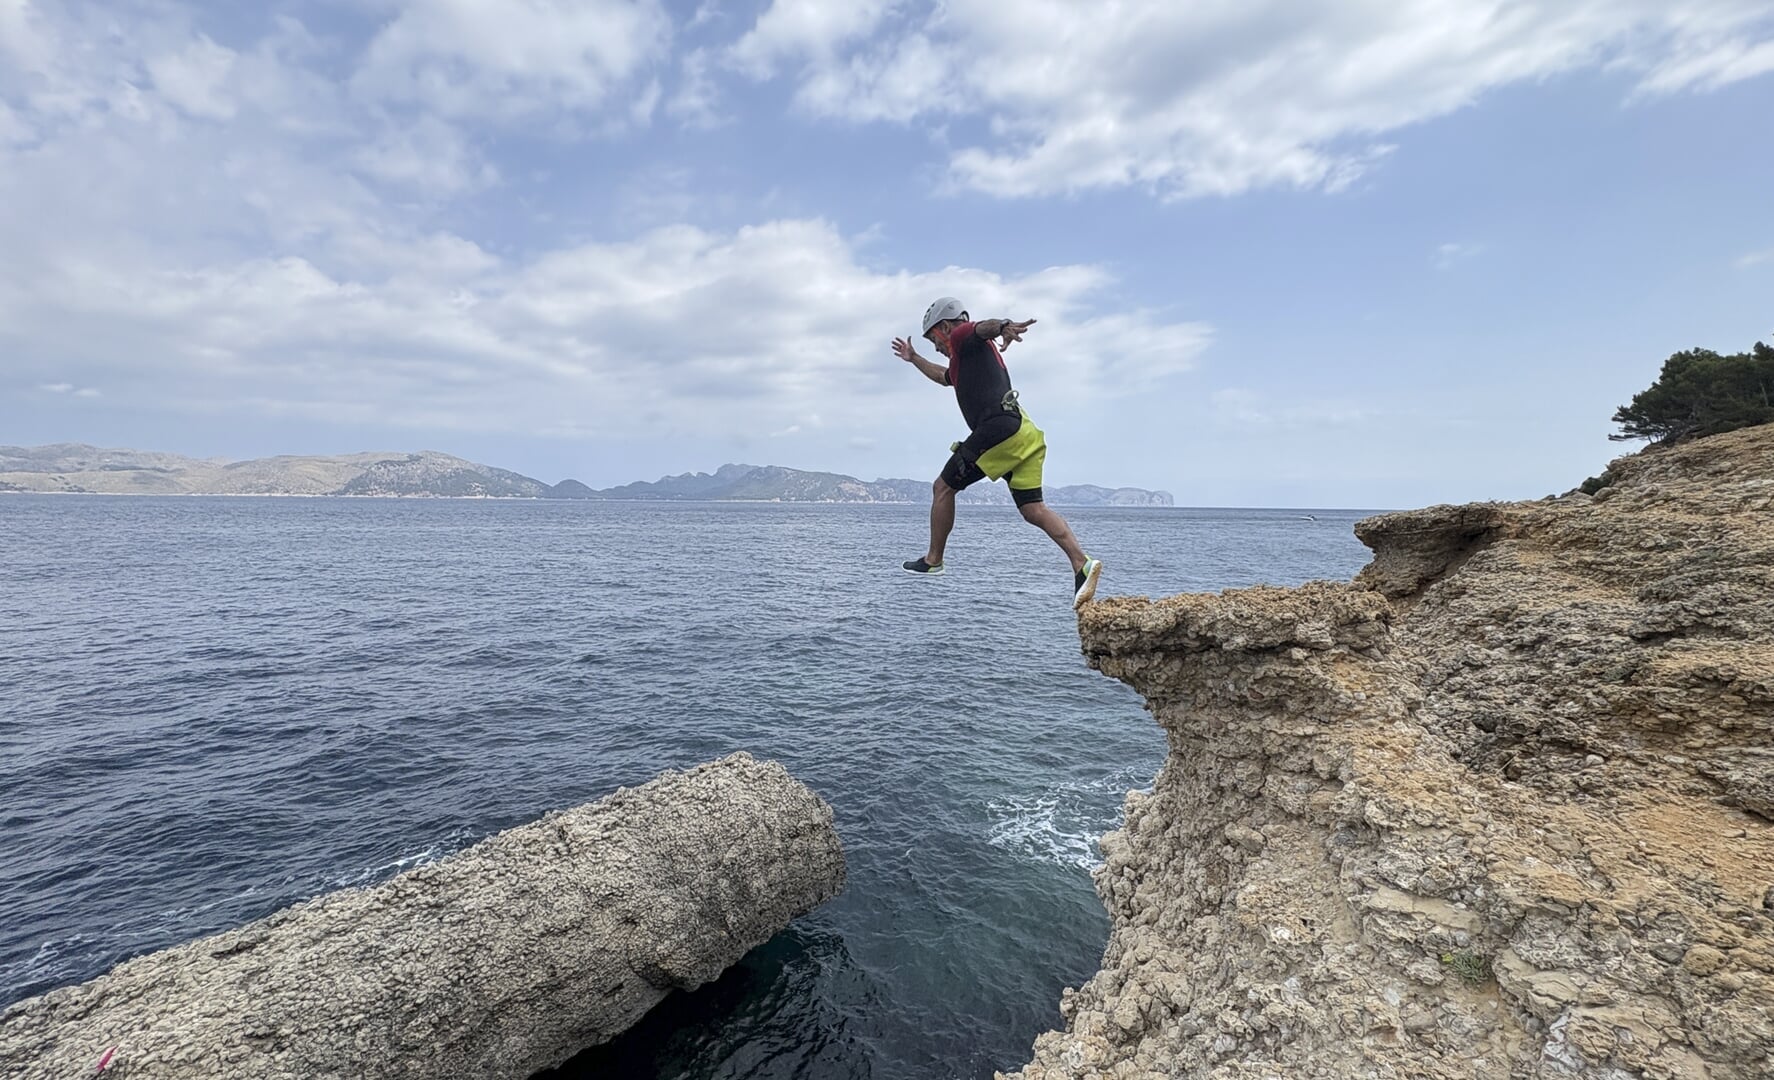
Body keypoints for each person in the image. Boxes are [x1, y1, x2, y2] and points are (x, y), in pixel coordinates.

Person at [891, 296, 1103, 609]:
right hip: (1023, 431)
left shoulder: (962, 336)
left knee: (943, 487)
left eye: (933, 338)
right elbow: (943, 377)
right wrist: (914, 358)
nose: (935, 346)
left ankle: (933, 559)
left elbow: (981, 328)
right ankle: (1081, 564)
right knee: (1033, 509)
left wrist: (1003, 325)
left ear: (946, 327)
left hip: (999, 428)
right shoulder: (964, 360)